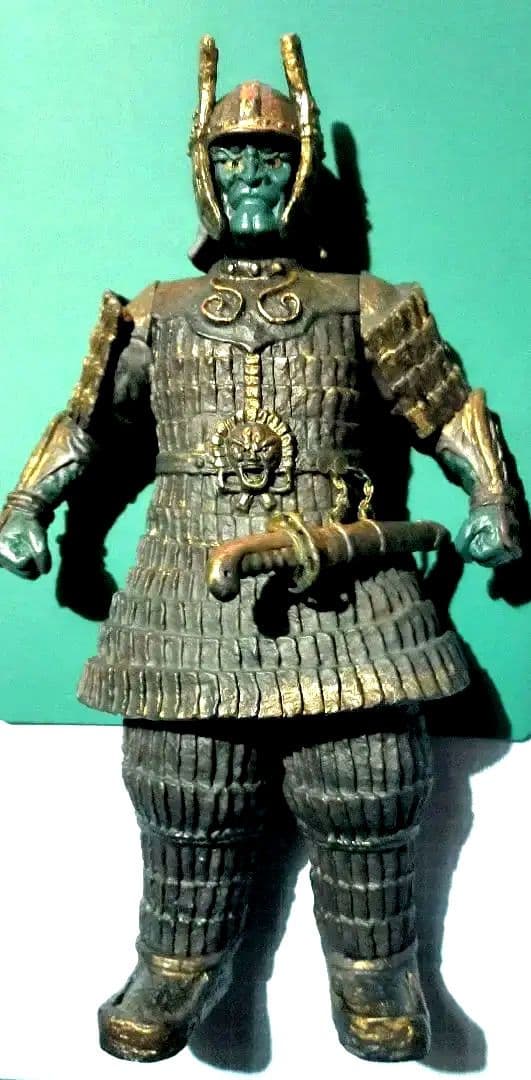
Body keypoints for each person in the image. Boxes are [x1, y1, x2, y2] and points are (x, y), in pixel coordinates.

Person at [0, 33, 521, 1064]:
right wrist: (31, 507)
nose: (251, 173)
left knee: (368, 775)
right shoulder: (156, 314)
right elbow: (90, 429)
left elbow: (449, 410)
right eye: (232, 155)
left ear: (300, 168)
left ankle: (376, 970)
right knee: (184, 781)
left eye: (271, 156)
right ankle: (176, 960)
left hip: (347, 585)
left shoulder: (366, 304)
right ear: (202, 168)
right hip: (188, 593)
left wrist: (494, 496)